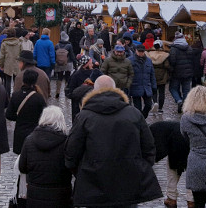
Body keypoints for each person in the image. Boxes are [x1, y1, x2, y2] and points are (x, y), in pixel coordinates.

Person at [65, 75, 162, 206]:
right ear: (115, 89)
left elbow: (72, 151)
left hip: (94, 182)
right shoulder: (134, 114)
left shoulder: (84, 116)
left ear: (94, 90)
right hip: (128, 182)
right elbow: (149, 147)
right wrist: (138, 167)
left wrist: (82, 172)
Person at [18, 106, 73, 208]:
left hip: (35, 193)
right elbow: (71, 166)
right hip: (61, 195)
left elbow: (22, 167)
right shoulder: (66, 142)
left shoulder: (29, 140)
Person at [150, 121, 193, 208]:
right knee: (192, 170)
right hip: (193, 140)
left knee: (173, 168)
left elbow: (155, 150)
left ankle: (171, 198)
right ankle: (191, 200)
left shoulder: (152, 129)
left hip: (176, 140)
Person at [6, 69, 47, 155]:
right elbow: (45, 116)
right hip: (34, 133)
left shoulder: (15, 95)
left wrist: (19, 117)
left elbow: (9, 115)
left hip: (19, 133)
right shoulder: (38, 98)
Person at [65, 55, 102, 121]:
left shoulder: (94, 73)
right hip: (78, 103)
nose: (92, 64)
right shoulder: (76, 75)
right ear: (86, 64)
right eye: (90, 63)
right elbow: (70, 90)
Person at [169, 31, 196, 113]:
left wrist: (171, 69)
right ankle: (185, 106)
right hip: (188, 72)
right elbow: (193, 60)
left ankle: (179, 101)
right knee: (186, 90)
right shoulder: (189, 48)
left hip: (176, 73)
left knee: (173, 88)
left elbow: (172, 61)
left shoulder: (173, 49)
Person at [129, 44, 157, 118]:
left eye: (142, 51)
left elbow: (152, 74)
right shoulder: (130, 60)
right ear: (136, 51)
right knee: (137, 108)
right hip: (135, 86)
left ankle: (142, 118)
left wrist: (154, 86)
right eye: (139, 51)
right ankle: (140, 121)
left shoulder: (148, 61)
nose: (141, 53)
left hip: (146, 86)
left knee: (148, 105)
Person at [0, 27, 22, 95]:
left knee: (7, 81)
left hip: (7, 64)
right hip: (17, 64)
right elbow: (21, 54)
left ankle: (7, 97)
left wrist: (1, 65)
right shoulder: (19, 42)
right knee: (16, 81)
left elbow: (2, 56)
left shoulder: (4, 43)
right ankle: (16, 95)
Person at [149, 40, 171, 114]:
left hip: (153, 75)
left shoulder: (150, 54)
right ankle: (160, 108)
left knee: (154, 91)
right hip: (162, 75)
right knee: (161, 92)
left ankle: (155, 102)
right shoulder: (164, 55)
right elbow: (166, 65)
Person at [54, 31, 74, 98]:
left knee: (59, 77)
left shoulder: (57, 45)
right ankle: (66, 91)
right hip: (68, 63)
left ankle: (57, 91)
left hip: (59, 64)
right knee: (67, 77)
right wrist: (75, 63)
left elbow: (55, 55)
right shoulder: (69, 45)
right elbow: (72, 55)